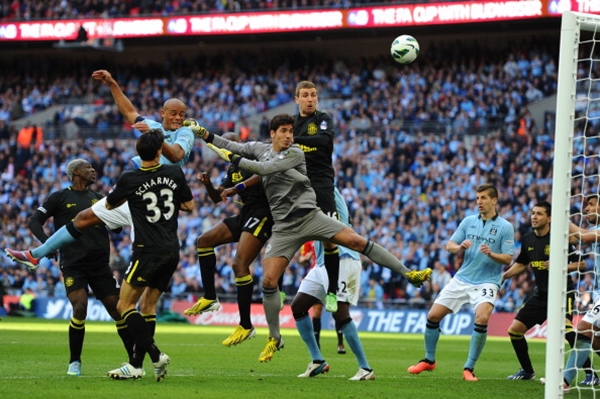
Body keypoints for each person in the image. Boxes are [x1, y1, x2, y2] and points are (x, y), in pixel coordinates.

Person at [185, 114, 432, 363]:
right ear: (272, 133)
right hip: (284, 226)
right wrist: (203, 133)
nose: (289, 135)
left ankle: (408, 273)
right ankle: (274, 338)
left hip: (311, 216)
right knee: (269, 281)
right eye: (283, 130)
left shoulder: (295, 154)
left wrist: (231, 157)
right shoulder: (259, 148)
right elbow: (230, 144)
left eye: (291, 131)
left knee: (356, 241)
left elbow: (262, 169)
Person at [5, 69, 194, 272]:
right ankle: (35, 255)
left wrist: (155, 135)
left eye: (182, 114)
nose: (178, 118)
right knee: (83, 218)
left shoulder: (185, 132)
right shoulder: (153, 125)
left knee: (144, 262)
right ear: (163, 113)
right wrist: (112, 83)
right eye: (173, 113)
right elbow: (129, 112)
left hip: (153, 196)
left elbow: (175, 155)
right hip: (135, 189)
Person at [26, 158, 135, 376]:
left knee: (117, 311)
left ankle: (133, 361)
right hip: (74, 264)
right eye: (88, 167)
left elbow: (116, 230)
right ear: (76, 172)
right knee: (80, 306)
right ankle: (74, 362)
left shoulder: (98, 198)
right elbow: (34, 221)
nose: (94, 170)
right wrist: (47, 244)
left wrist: (116, 216)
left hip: (100, 265)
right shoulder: (59, 197)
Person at [105, 129, 194, 381]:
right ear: (159, 152)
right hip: (171, 250)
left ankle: (155, 354)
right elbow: (189, 206)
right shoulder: (174, 172)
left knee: (124, 305)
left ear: (138, 152)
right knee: (148, 306)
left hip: (146, 250)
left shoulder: (129, 177)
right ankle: (135, 365)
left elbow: (111, 204)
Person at [407, 183, 514, 381]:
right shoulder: (468, 221)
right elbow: (449, 244)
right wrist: (458, 248)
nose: (479, 202)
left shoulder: (505, 227)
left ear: (494, 200)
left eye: (483, 198)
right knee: (433, 316)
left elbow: (508, 258)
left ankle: (469, 368)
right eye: (477, 198)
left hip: (487, 281)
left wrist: (492, 254)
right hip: (462, 278)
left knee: (482, 318)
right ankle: (429, 360)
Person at [182, 132, 274, 347]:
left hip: (263, 214)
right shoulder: (232, 170)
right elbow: (217, 197)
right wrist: (208, 185)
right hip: (245, 214)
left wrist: (237, 188)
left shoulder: (253, 160)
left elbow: (261, 175)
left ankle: (245, 325)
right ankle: (210, 297)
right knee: (203, 241)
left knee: (239, 264)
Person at [502, 201, 597, 383]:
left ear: (549, 218)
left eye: (539, 214)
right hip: (541, 295)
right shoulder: (528, 238)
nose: (534, 217)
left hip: (562, 293)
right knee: (514, 330)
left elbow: (582, 264)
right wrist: (504, 277)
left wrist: (559, 265)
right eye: (533, 213)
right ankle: (527, 371)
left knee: (567, 331)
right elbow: (522, 263)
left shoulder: (560, 238)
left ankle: (591, 374)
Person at [293, 187, 374, 380]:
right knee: (298, 306)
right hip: (322, 262)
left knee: (340, 312)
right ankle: (318, 360)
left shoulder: (328, 189)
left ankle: (366, 368)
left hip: (343, 258)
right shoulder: (311, 191)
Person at [542, 194, 600, 390]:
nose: (586, 209)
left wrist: (561, 217)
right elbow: (576, 237)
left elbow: (584, 236)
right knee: (592, 336)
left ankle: (564, 382)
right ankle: (565, 381)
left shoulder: (594, 232)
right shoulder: (594, 229)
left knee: (584, 329)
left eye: (591, 204)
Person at [293, 81, 339, 312]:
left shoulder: (323, 119)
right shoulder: (289, 124)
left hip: (321, 184)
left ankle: (332, 292)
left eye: (313, 95)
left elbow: (322, 142)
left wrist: (295, 141)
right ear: (297, 99)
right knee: (284, 235)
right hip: (296, 185)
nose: (310, 99)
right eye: (305, 95)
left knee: (330, 239)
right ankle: (278, 289)